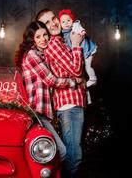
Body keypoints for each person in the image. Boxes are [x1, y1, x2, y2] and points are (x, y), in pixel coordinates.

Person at [14, 20, 79, 162]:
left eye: (45, 35)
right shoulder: (31, 54)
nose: (43, 39)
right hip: (37, 112)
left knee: (45, 154)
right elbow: (51, 80)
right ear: (32, 40)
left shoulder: (43, 55)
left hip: (44, 113)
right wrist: (72, 82)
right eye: (38, 37)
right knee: (61, 152)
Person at [36, 9, 86, 177]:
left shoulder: (60, 41)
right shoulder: (54, 44)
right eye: (47, 23)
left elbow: (76, 73)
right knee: (74, 155)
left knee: (73, 153)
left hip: (73, 102)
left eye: (53, 19)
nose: (53, 23)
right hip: (69, 104)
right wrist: (77, 44)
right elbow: (76, 70)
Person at [59, 9, 97, 87]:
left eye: (68, 20)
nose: (66, 23)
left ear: (72, 20)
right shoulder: (63, 34)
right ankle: (88, 79)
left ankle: (93, 79)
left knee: (88, 66)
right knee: (83, 68)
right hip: (80, 54)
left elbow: (80, 28)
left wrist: (82, 31)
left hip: (87, 51)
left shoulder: (75, 26)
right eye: (63, 22)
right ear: (60, 24)